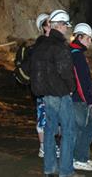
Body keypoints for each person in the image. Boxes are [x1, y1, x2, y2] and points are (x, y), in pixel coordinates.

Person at [30, 10, 80, 177]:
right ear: (60, 25)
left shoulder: (41, 44)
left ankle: (49, 168)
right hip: (60, 94)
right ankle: (66, 171)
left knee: (50, 130)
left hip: (46, 95)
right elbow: (65, 71)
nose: (67, 28)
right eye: (66, 25)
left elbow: (36, 71)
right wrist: (71, 88)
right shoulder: (60, 46)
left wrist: (40, 91)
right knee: (68, 130)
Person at [70, 23, 92, 172]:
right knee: (84, 129)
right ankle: (79, 159)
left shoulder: (74, 52)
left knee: (84, 128)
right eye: (88, 38)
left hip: (78, 98)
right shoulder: (77, 55)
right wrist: (89, 100)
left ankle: (82, 157)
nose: (90, 41)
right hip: (79, 100)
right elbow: (80, 80)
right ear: (80, 37)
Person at [32, 13, 51, 159]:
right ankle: (44, 147)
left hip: (51, 87)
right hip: (43, 88)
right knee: (43, 116)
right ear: (44, 27)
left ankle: (49, 145)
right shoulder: (42, 43)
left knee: (51, 116)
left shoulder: (52, 42)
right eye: (50, 23)